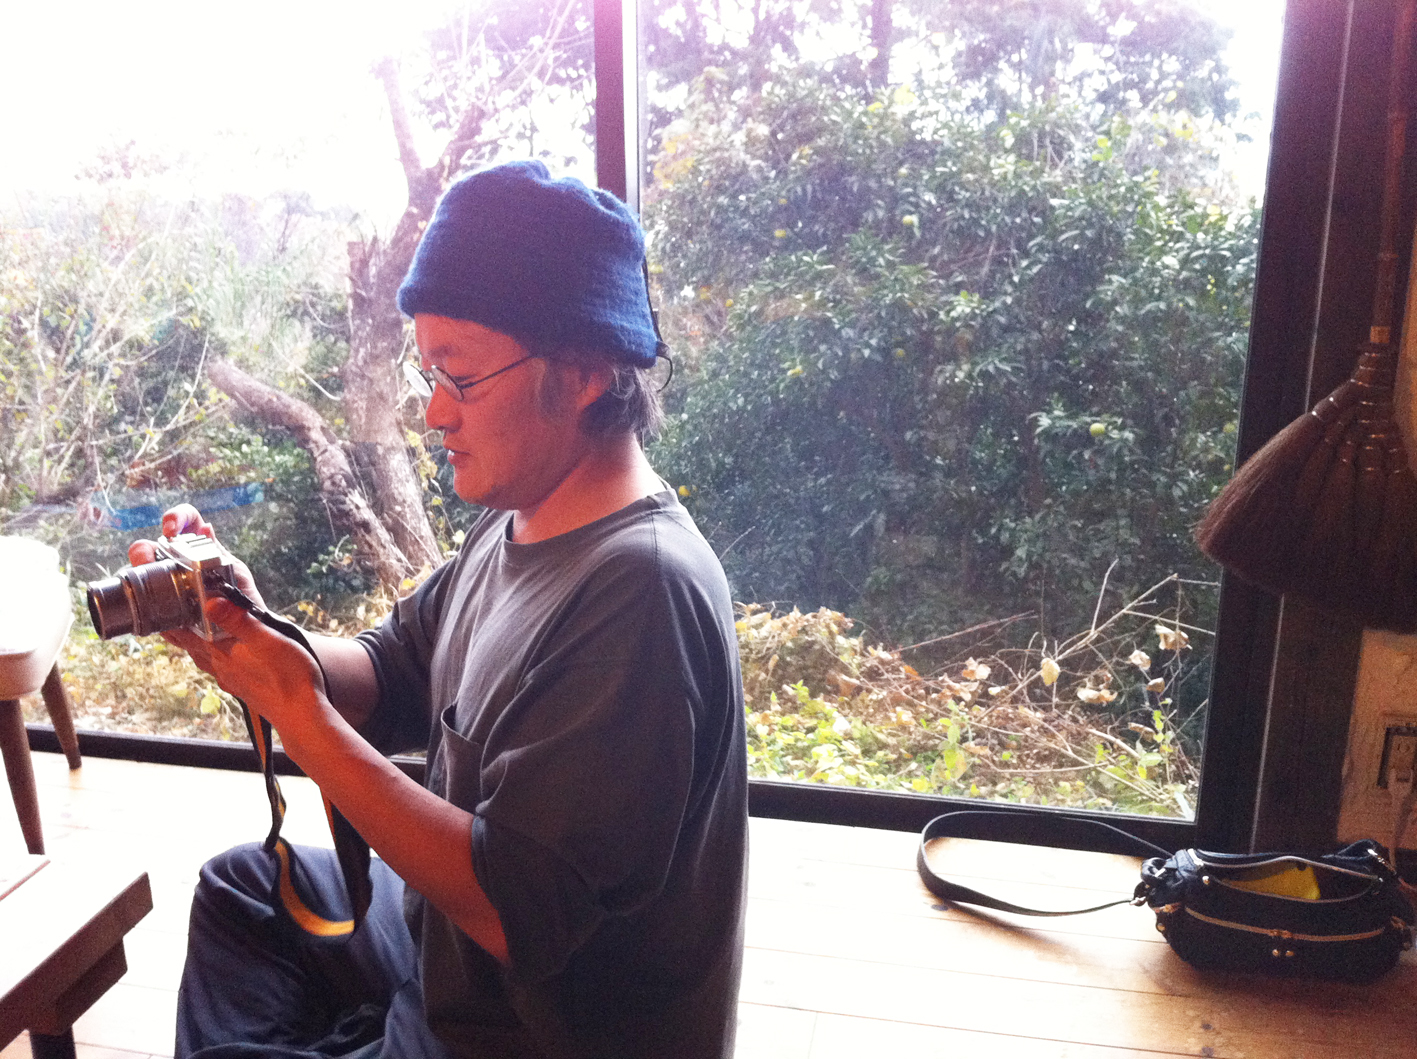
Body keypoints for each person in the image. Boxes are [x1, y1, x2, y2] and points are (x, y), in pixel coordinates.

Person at [140, 160, 748, 1059]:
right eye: (427, 372)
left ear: (585, 371)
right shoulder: (519, 517)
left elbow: (513, 912)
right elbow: (387, 670)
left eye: (459, 377)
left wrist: (296, 714)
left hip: (530, 1026)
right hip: (446, 954)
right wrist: (250, 628)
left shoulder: (639, 593)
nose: (432, 412)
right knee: (245, 891)